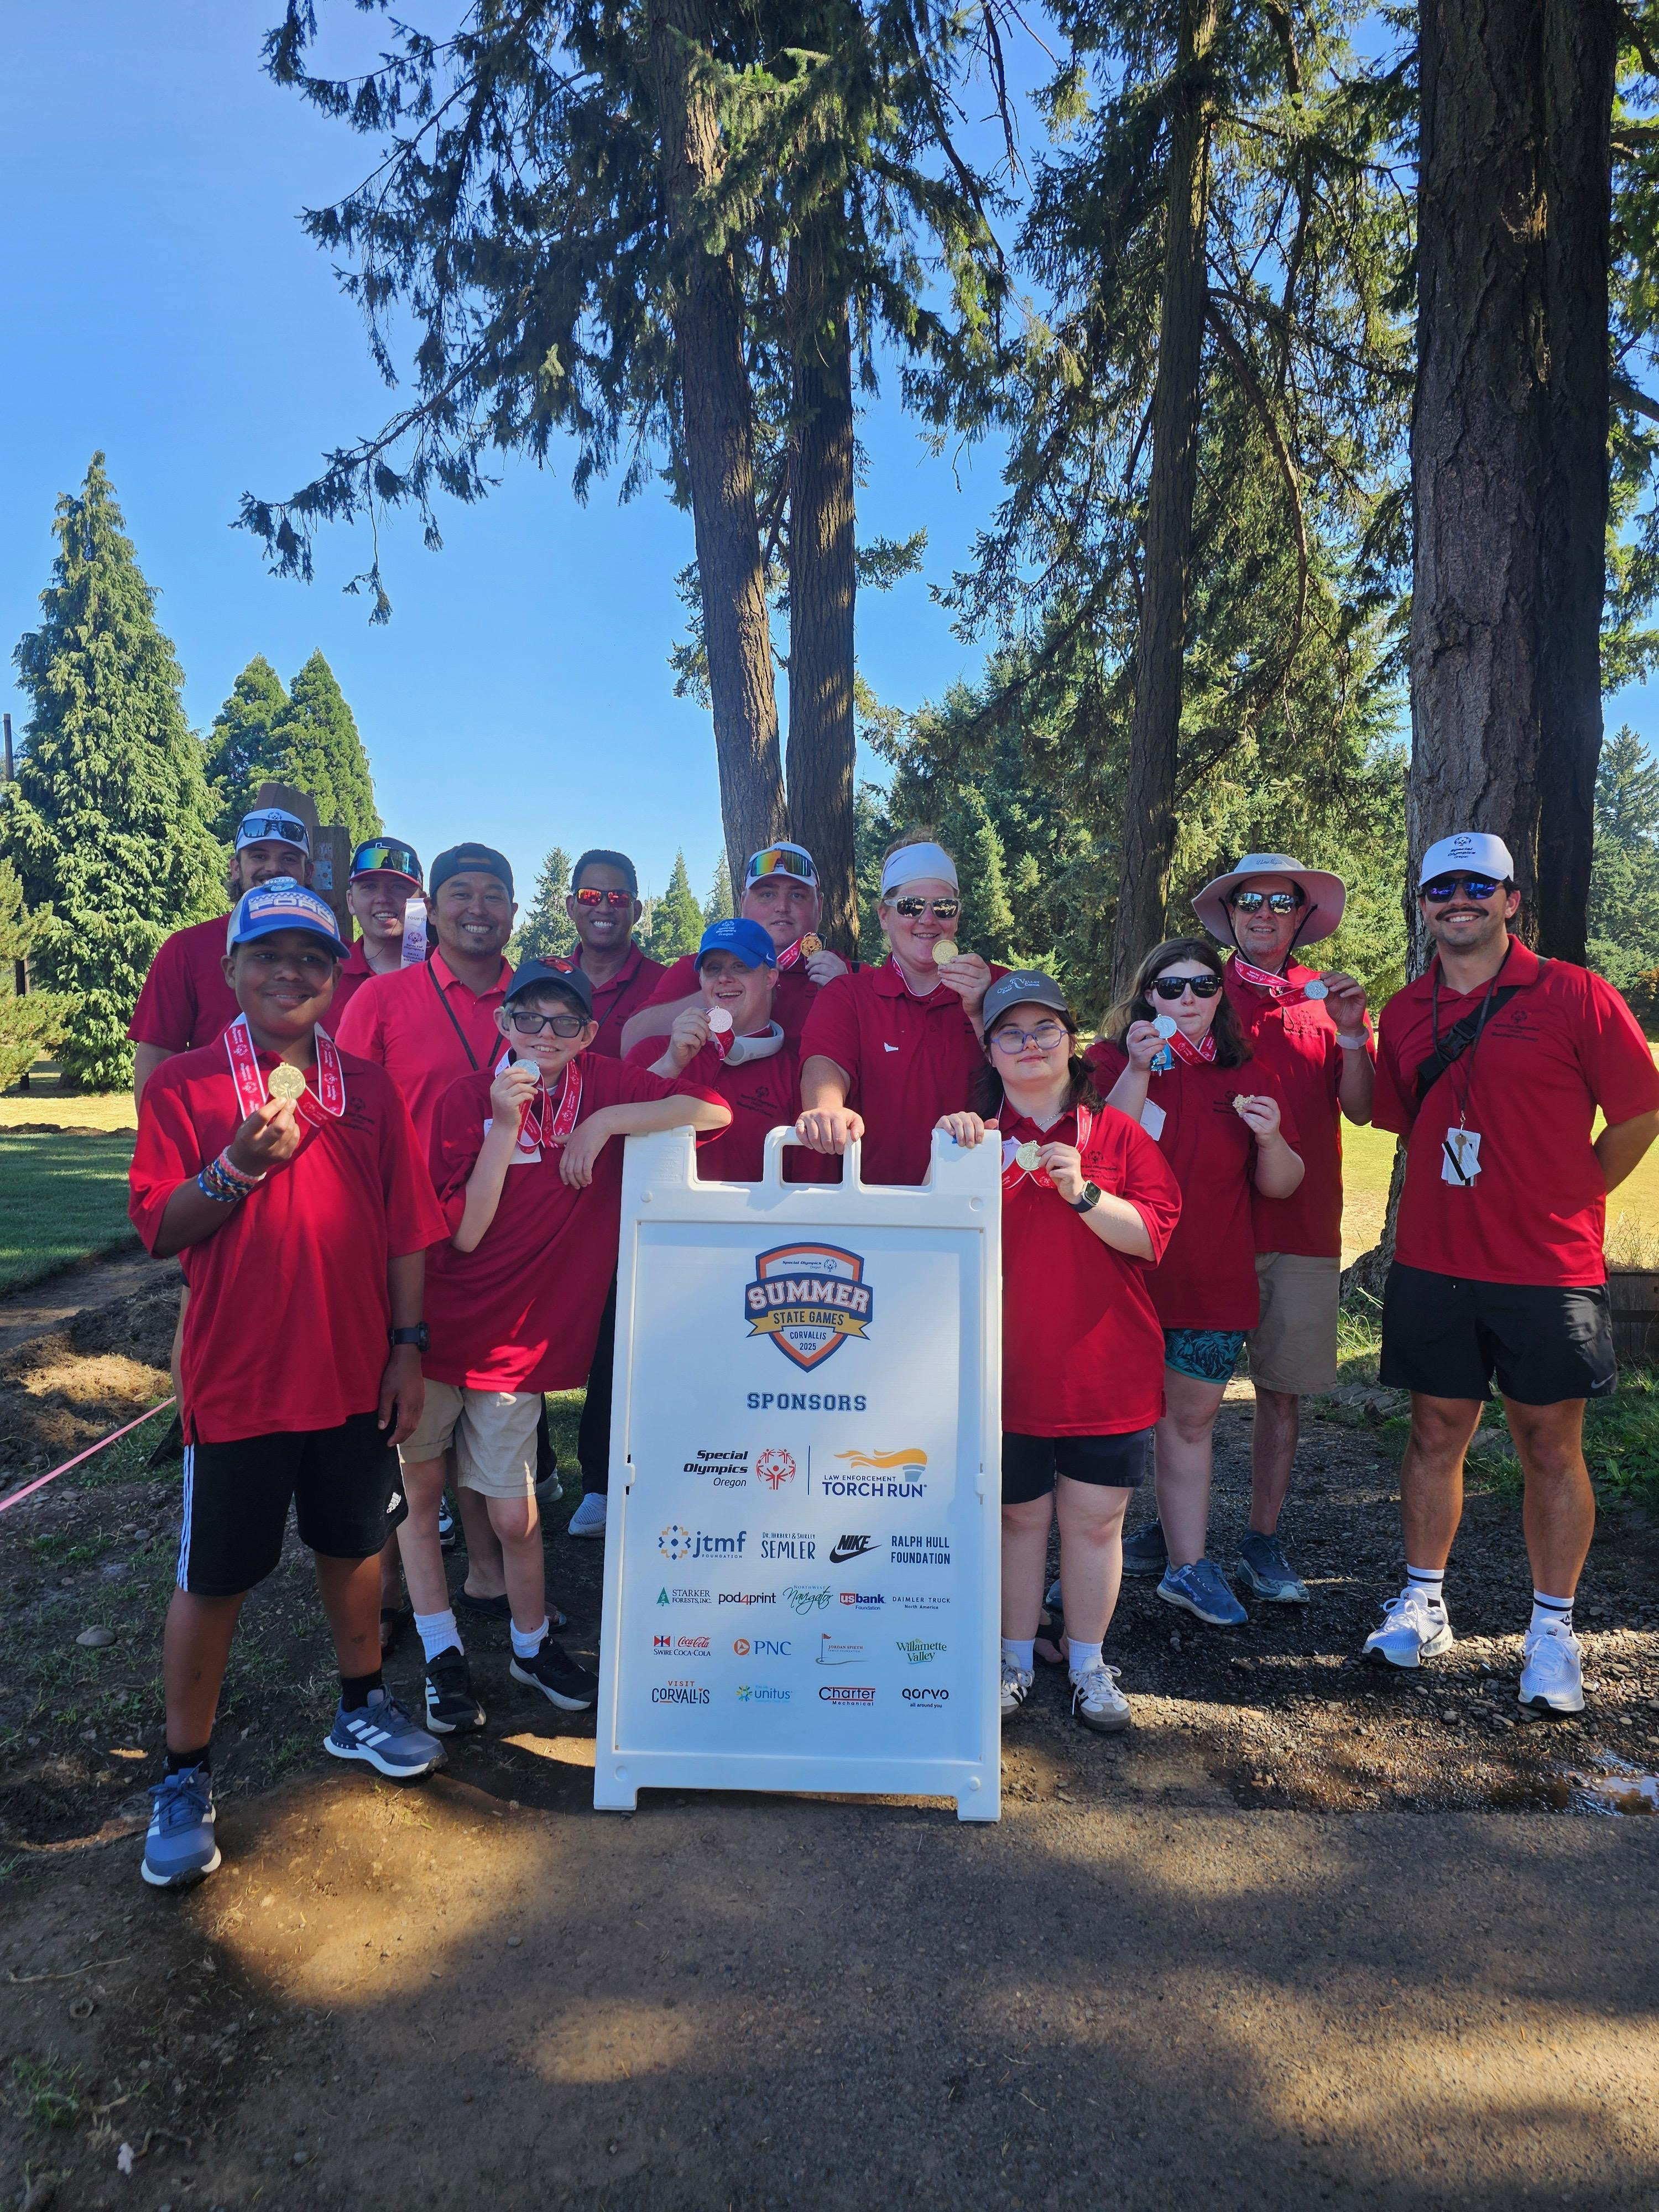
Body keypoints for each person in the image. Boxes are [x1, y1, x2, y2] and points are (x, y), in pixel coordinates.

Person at [127, 877, 449, 1888]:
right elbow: (159, 1227)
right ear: (232, 969)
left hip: (355, 1374)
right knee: (214, 1577)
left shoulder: (369, 1088)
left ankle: (361, 1706)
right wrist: (236, 1165)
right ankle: (184, 1775)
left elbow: (406, 1230)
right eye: (267, 955)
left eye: (311, 958)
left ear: (335, 977)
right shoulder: (187, 1084)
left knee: (355, 1547)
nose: (289, 973)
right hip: (240, 1381)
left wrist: (408, 1346)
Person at [1362, 833, 1659, 1714]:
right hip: (1435, 1259)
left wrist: (1574, 1194)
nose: (1459, 900)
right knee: (1433, 1432)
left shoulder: (1575, 993)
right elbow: (1397, 1117)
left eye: (1477, 885)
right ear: (1423, 905)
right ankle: (1423, 1603)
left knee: (1549, 1444)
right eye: (1440, 888)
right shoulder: (1404, 1010)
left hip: (1547, 1265)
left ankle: (1553, 1631)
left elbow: (1640, 1112)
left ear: (1510, 900)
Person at [400, 959, 731, 1728]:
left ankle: (530, 1644)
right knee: (422, 1498)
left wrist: (606, 1122)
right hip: (433, 1333)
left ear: (587, 1034)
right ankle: (442, 1656)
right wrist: (504, 1126)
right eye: (528, 1018)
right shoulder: (466, 1098)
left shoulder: (603, 1083)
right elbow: (465, 1232)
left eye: (564, 1023)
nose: (543, 1035)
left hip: (512, 1347)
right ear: (503, 1024)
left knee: (516, 1516)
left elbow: (712, 1110)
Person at [935, 972, 1182, 1734]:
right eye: (1011, 1032)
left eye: (1045, 1028)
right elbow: (930, 1244)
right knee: (1016, 1521)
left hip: (1106, 1370)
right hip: (1003, 1373)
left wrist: (1085, 1194)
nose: (1030, 1044)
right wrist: (952, 1159)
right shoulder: (968, 1138)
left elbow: (1152, 1238)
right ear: (990, 1050)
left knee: (1096, 1524)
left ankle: (1087, 1661)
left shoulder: (1118, 1135)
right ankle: (1012, 1660)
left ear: (1071, 1042)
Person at [1144, 851, 1375, 1605]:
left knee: (1281, 1391)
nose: (1265, 913)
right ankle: (1172, 1533)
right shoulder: (1199, 987)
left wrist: (1352, 1035)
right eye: (1250, 900)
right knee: (1180, 1393)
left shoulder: (1328, 1000)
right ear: (1230, 914)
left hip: (1300, 1225)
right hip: (1206, 1226)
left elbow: (1362, 1109)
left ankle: (1261, 1538)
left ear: (1303, 915)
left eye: (1282, 901)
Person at [1089, 938, 1305, 1627]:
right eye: (1171, 986)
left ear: (1221, 995)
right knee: (1108, 1431)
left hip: (1214, 1283)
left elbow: (1282, 1185)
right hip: (1121, 1282)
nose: (1188, 999)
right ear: (1146, 994)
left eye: (1204, 986)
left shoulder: (1250, 1073)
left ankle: (1187, 1567)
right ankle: (1088, 1574)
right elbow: (1102, 1151)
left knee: (1190, 1426)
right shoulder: (1108, 1062)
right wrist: (1138, 1067)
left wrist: (1271, 1139)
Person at [336, 843, 520, 1610]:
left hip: (506, 1245)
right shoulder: (383, 1000)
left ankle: (487, 1572)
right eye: (460, 893)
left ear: (513, 910)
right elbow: (344, 1121)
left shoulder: (540, 1001)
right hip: (406, 1244)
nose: (477, 908)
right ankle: (384, 1594)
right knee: (396, 1424)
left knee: (485, 1420)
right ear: (433, 909)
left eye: (493, 894)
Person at [796, 834, 1005, 1185]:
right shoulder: (848, 994)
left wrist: (982, 1012)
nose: (928, 919)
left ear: (956, 916)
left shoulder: (998, 985)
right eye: (911, 906)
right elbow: (825, 1063)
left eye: (944, 907)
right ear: (884, 915)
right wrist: (827, 1108)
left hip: (977, 1198)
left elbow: (1039, 1070)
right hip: (877, 1201)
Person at [129, 806, 314, 1106]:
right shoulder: (186, 948)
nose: (273, 868)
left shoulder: (337, 956)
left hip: (323, 1127)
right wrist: (157, 1131)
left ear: (309, 873)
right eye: (259, 856)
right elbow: (157, 1054)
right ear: (236, 868)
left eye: (289, 859)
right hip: (212, 1130)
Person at [625, 917, 832, 1182]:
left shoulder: (798, 1077)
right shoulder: (651, 1052)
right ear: (701, 980)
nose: (724, 978)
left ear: (770, 978)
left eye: (740, 966)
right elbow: (614, 1133)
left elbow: (813, 1187)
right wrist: (671, 1065)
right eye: (713, 969)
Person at [619, 841, 848, 1057]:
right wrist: (720, 991)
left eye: (797, 895)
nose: (782, 907)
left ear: (819, 907)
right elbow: (630, 1043)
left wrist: (847, 999)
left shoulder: (846, 975)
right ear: (743, 903)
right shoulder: (700, 968)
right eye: (767, 895)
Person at [555, 849, 666, 1054]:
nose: (604, 908)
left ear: (637, 911)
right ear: (571, 907)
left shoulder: (666, 986)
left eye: (619, 898)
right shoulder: (548, 980)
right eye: (590, 896)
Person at [331, 837, 426, 1027]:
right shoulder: (327, 979)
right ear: (351, 901)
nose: (383, 898)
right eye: (370, 887)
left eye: (398, 887)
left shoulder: (449, 971)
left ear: (422, 902)